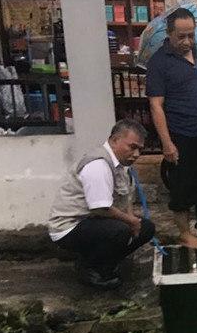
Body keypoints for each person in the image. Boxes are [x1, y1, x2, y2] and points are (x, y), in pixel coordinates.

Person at [146, 7, 197, 250]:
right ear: (169, 33)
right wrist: (167, 143)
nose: (187, 41)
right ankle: (184, 232)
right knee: (182, 185)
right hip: (180, 133)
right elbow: (156, 106)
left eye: (191, 35)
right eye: (181, 36)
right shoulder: (159, 62)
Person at [48, 120, 157, 289]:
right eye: (132, 147)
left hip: (92, 221)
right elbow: (100, 208)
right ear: (114, 140)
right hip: (70, 226)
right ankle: (90, 269)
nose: (136, 154)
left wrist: (133, 219)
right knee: (121, 230)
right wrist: (131, 221)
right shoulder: (98, 164)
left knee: (146, 228)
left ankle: (107, 264)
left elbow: (125, 199)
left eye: (140, 150)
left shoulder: (122, 166)